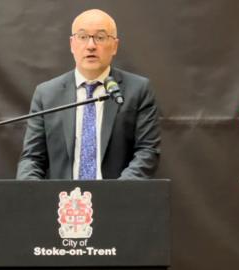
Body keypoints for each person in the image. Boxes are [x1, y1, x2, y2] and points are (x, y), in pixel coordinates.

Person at [16, 9, 160, 180]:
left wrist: (117, 193)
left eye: (100, 37)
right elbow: (32, 158)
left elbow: (147, 151)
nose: (91, 45)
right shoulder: (47, 94)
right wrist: (32, 193)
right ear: (72, 44)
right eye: (83, 37)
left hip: (117, 200)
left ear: (114, 46)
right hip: (64, 203)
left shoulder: (137, 90)